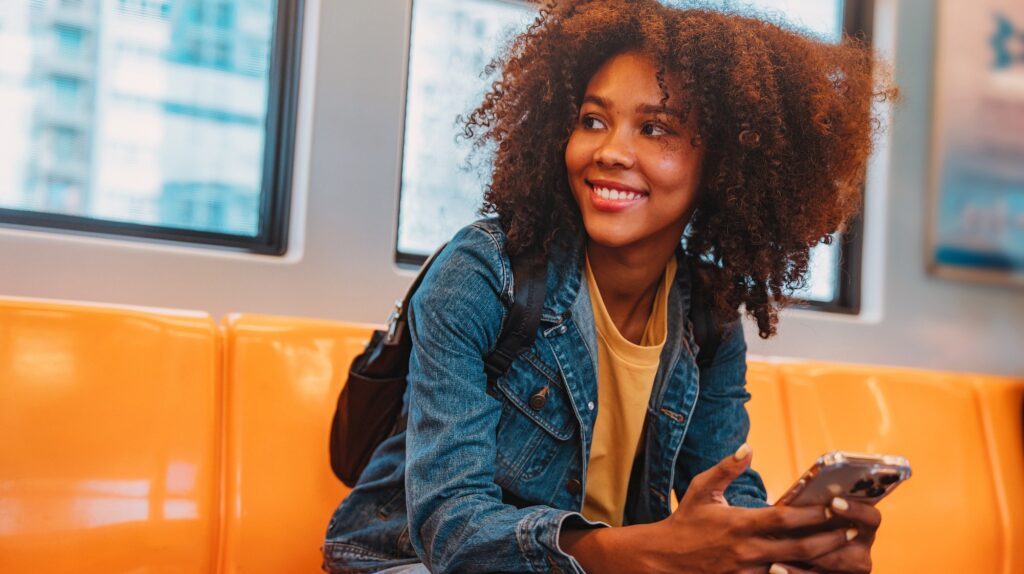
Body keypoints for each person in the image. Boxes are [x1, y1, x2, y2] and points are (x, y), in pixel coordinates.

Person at [323, 1, 896, 572]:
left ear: (724, 163)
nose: (610, 152)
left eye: (655, 129)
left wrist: (782, 548)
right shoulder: (482, 274)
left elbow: (722, 499)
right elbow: (452, 529)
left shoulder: (708, 317)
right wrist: (651, 552)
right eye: (593, 120)